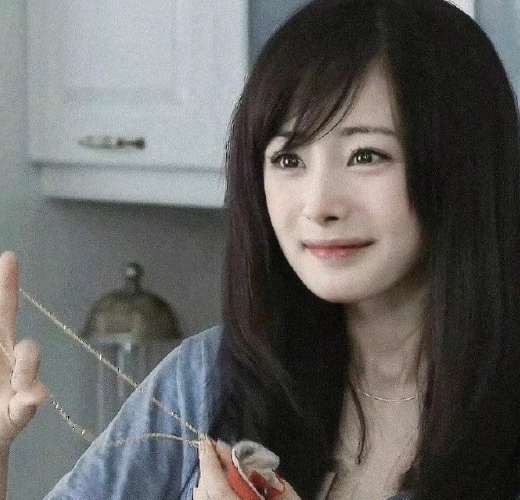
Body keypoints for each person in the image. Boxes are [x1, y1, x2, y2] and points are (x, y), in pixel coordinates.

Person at [2, 0, 520, 498]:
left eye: (366, 155)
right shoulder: (207, 379)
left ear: (463, 164)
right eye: (289, 160)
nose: (319, 205)